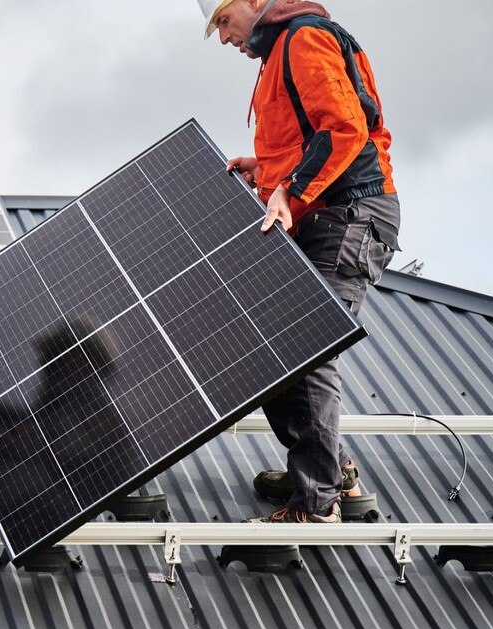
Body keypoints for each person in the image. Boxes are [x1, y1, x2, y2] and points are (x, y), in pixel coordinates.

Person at [199, 0, 402, 523]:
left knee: (306, 345)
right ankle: (332, 471)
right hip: (324, 214)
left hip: (349, 214)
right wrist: (264, 167)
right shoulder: (277, 54)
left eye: (223, 21)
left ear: (251, 3)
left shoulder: (305, 38)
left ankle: (317, 502)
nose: (222, 39)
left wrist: (287, 189)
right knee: (271, 350)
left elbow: (342, 128)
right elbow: (304, 137)